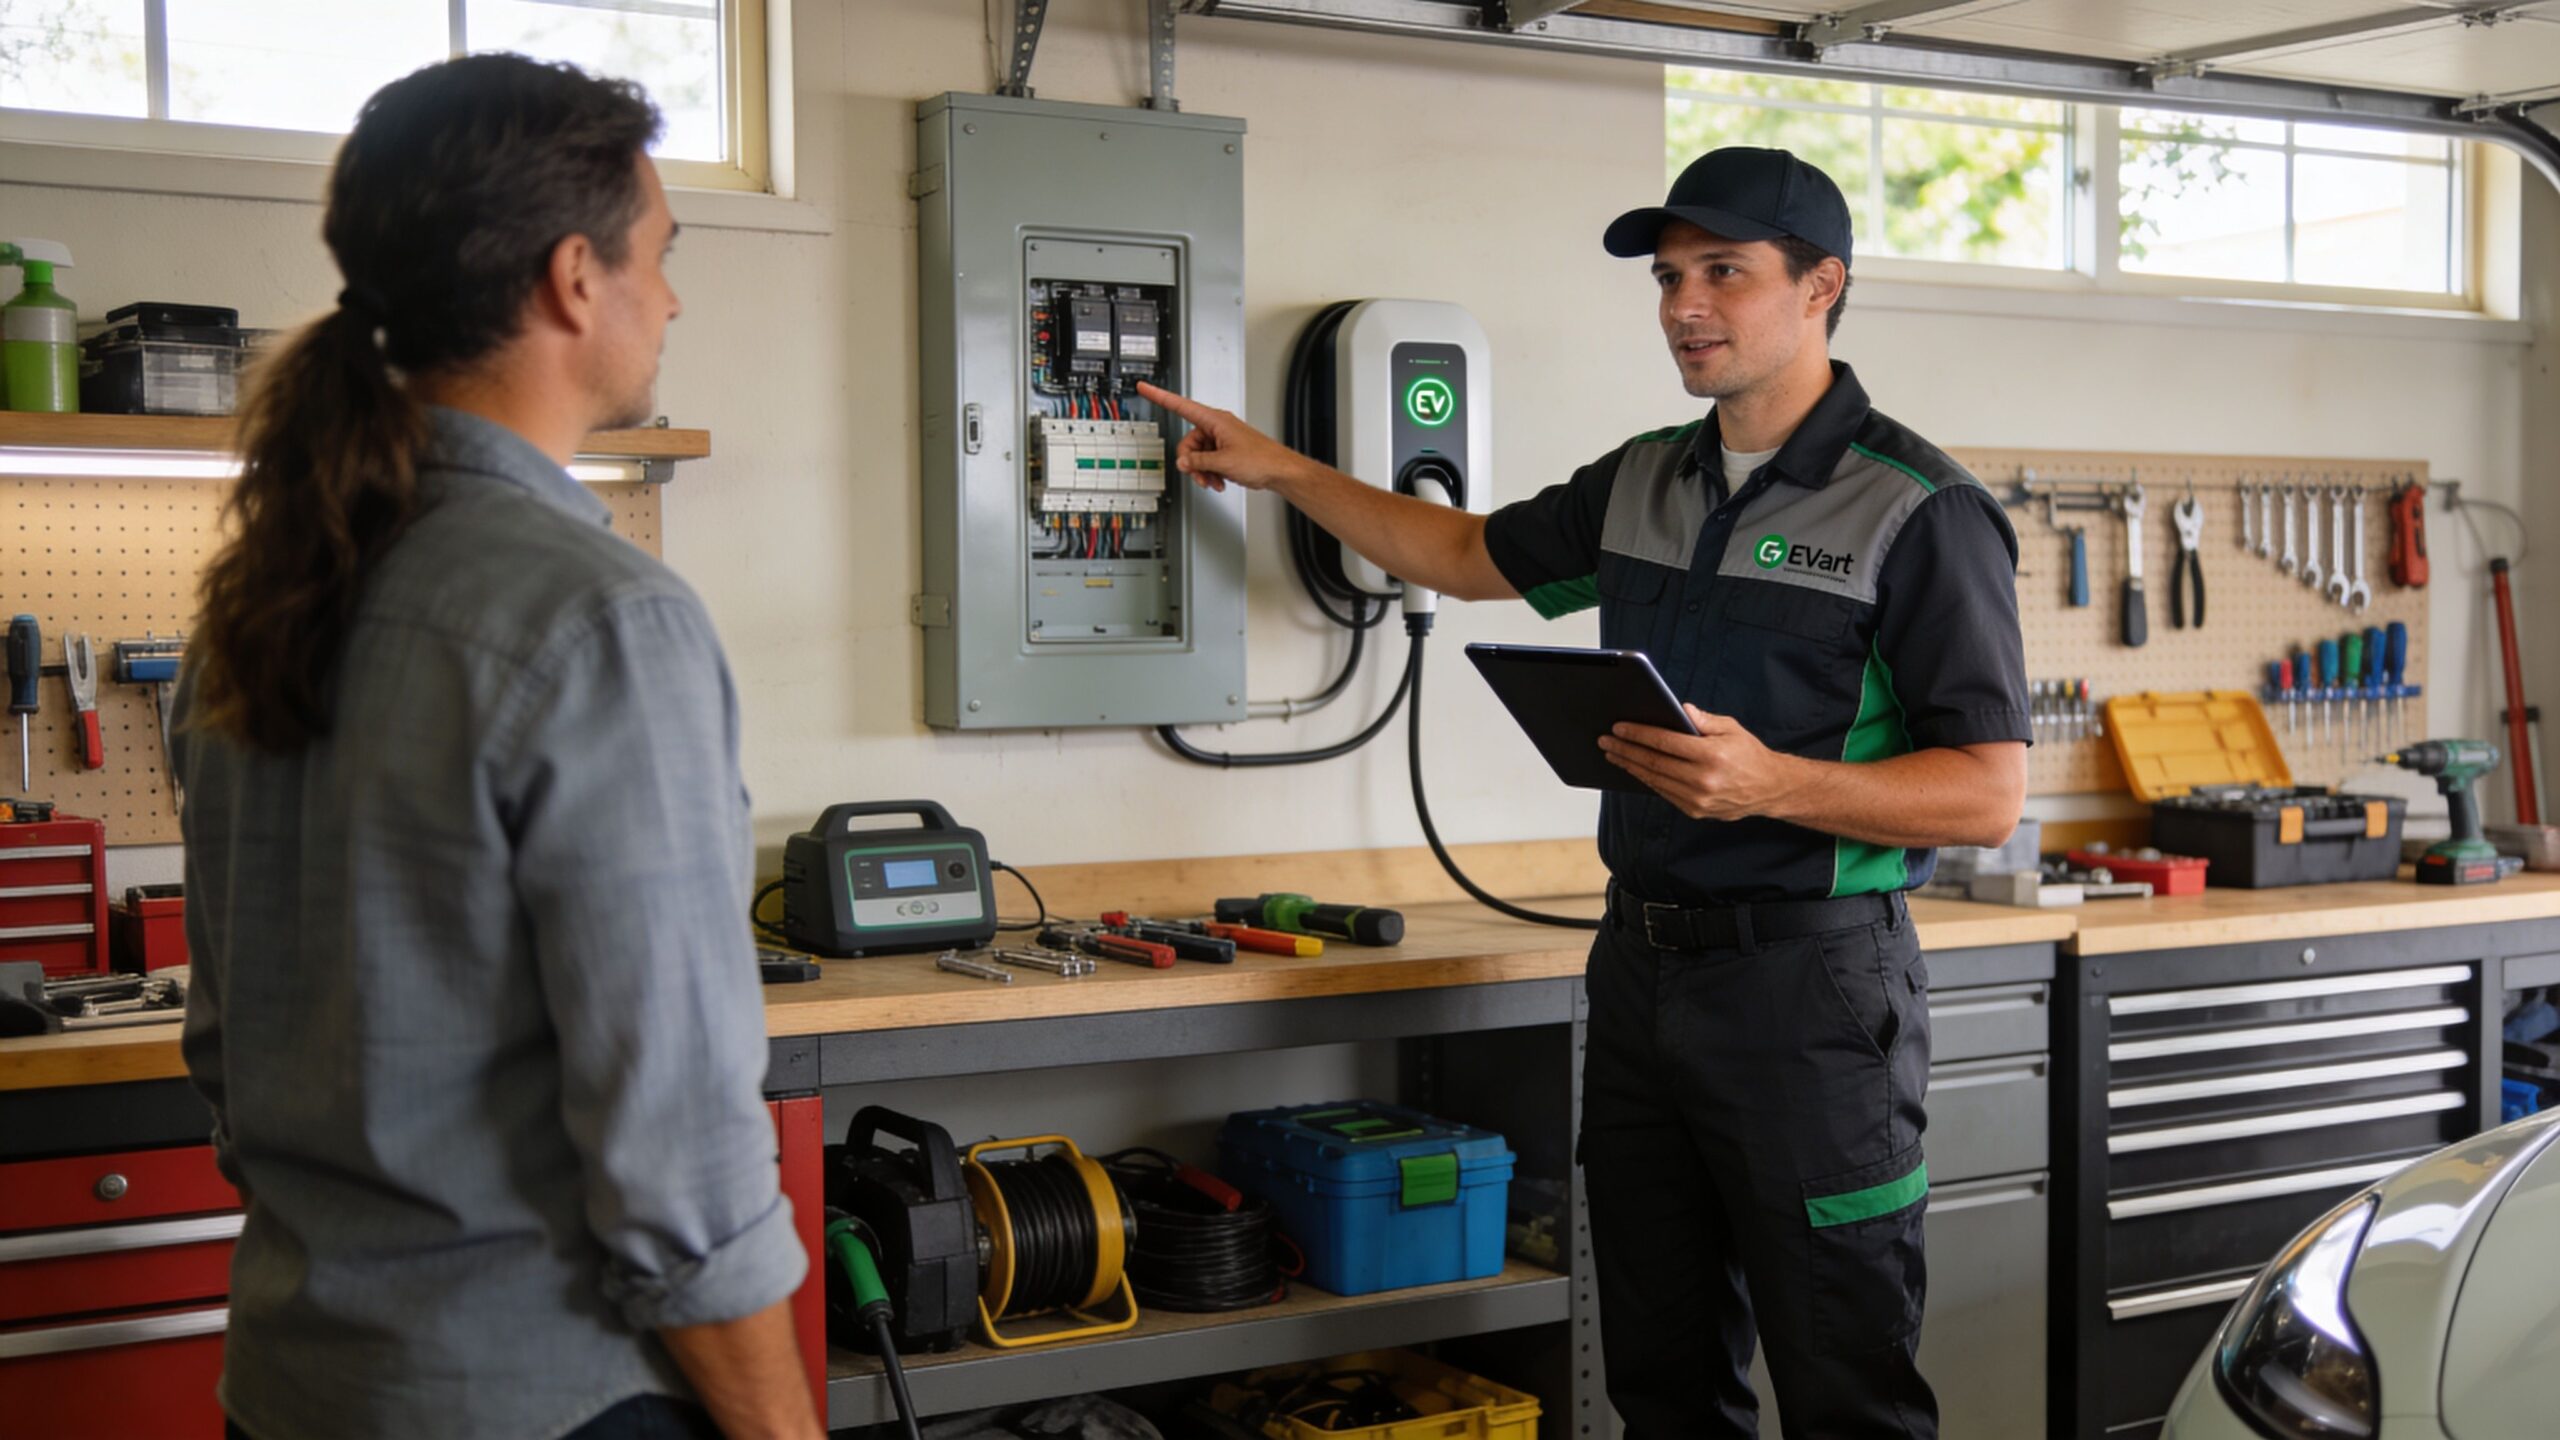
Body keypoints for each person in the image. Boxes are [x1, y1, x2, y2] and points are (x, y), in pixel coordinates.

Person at [1138, 147, 2028, 1438]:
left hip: (1813, 995)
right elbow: (1456, 551)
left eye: (1725, 272)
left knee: (1845, 1386)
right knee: (1659, 1375)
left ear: (1822, 285)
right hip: (1641, 974)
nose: (1685, 305)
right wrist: (1280, 469)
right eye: (1671, 277)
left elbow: (1988, 792)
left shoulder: (1920, 509)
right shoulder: (1646, 478)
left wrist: (1771, 783)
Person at [175, 55, 821, 1440]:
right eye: (661, 253)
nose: (674, 297)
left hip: (294, 1393)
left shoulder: (271, 593)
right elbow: (682, 1173)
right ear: (573, 279)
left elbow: (229, 1059)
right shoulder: (600, 620)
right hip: (549, 1406)